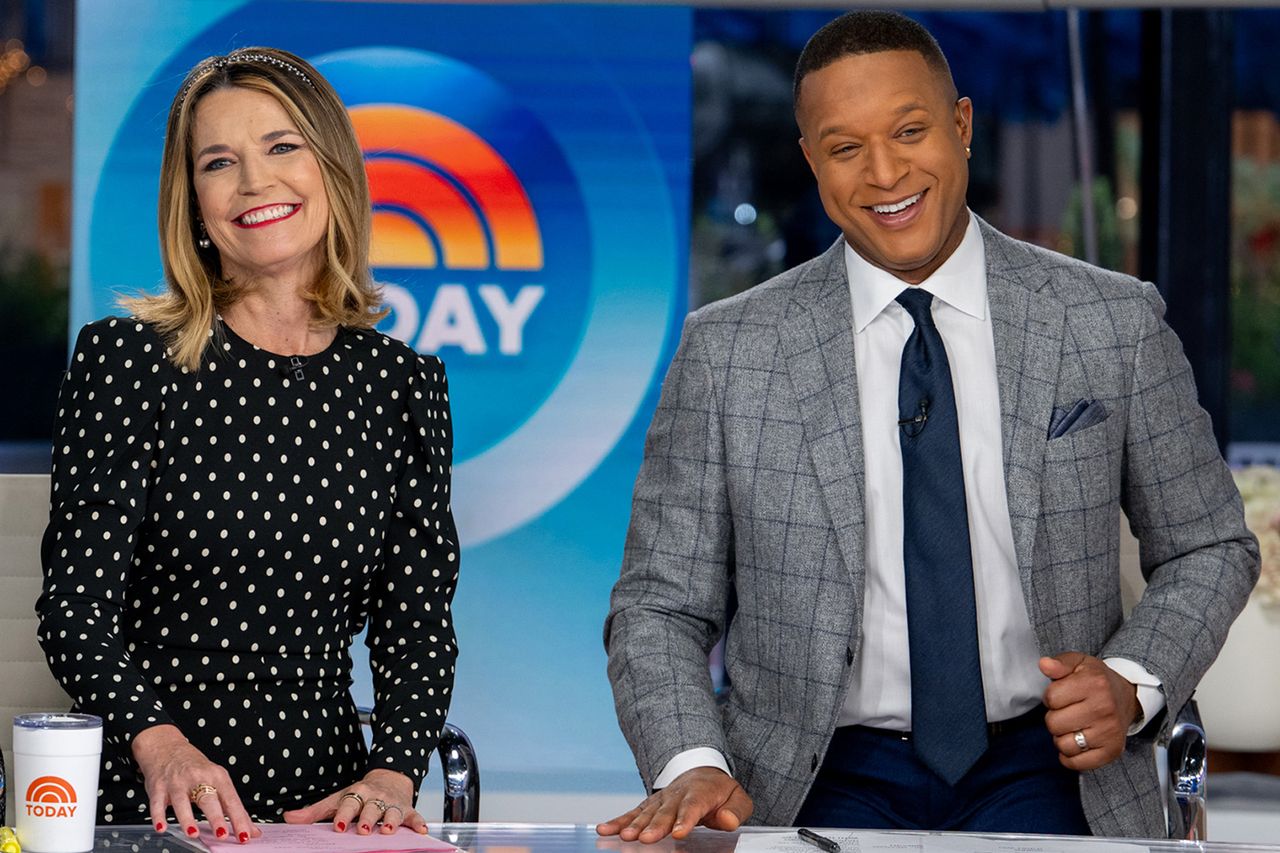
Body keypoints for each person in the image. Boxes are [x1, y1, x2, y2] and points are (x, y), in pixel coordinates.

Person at [600, 11, 1258, 840]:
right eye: (845, 148)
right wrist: (692, 759)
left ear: (963, 125)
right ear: (810, 161)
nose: (883, 173)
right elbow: (659, 606)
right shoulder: (728, 349)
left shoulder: (1110, 321)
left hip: (1052, 770)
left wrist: (1133, 680)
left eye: (910, 130)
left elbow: (1209, 544)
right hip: (807, 777)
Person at [36, 47, 459, 842]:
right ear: (194, 203)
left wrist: (393, 768)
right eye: (219, 162)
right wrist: (161, 748)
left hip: (328, 812)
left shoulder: (403, 384)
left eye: (281, 147)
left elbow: (415, 619)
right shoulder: (128, 361)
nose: (255, 182)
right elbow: (75, 612)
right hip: (154, 799)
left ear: (332, 168)